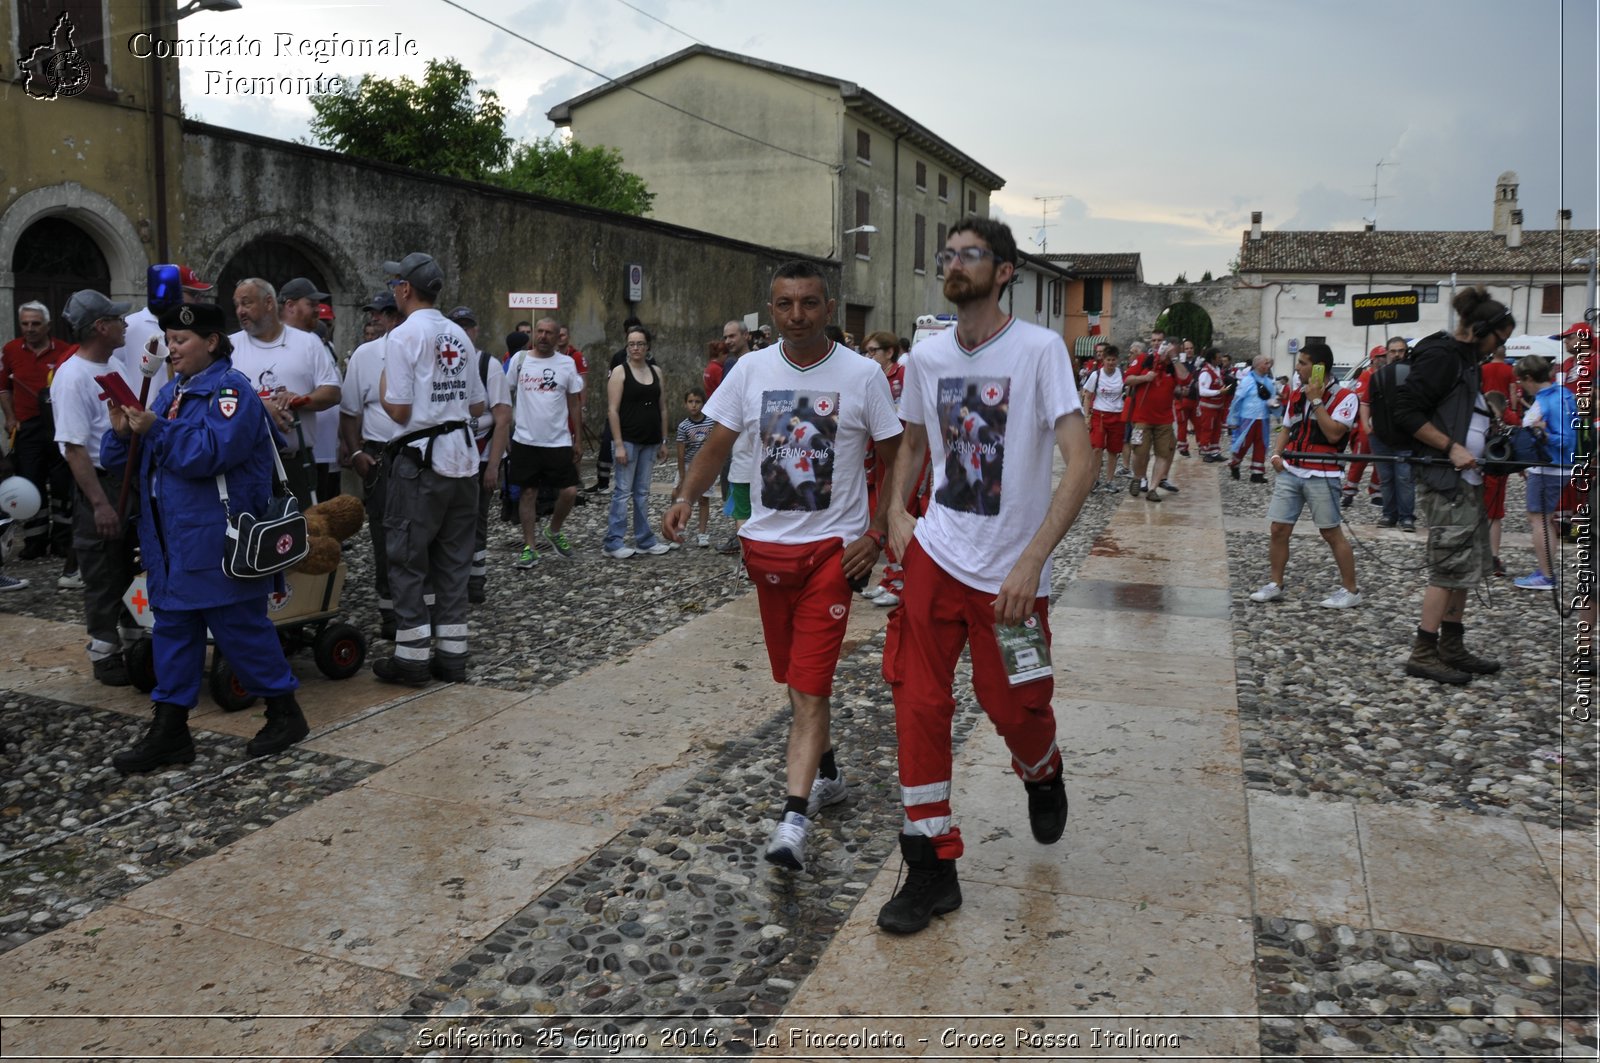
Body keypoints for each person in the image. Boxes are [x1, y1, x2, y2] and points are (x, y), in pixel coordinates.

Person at [876, 218, 1094, 935]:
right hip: (937, 555)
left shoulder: (1039, 350)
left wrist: (1034, 557)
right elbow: (911, 442)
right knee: (917, 701)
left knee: (1016, 706)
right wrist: (895, 514)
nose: (955, 263)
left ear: (1003, 271)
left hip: (1011, 570)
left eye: (971, 254)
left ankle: (1043, 767)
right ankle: (932, 863)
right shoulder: (928, 355)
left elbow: (1082, 460)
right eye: (949, 254)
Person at [663, 259, 901, 874]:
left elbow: (897, 456)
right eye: (785, 304)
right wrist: (687, 496)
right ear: (770, 310)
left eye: (810, 303)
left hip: (832, 555)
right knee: (795, 683)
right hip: (767, 553)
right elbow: (717, 442)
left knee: (809, 685)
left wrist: (875, 534)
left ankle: (793, 819)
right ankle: (828, 774)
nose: (797, 315)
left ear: (829, 307)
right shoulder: (750, 369)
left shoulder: (863, 376)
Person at [102, 303, 309, 771]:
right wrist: (121, 435)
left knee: (240, 630)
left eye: (181, 341)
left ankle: (284, 712)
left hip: (216, 538)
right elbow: (128, 464)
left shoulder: (230, 391)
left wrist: (155, 430)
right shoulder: (171, 391)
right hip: (171, 540)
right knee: (172, 632)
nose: (170, 350)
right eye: (169, 340)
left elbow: (208, 454)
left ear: (211, 342)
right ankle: (170, 730)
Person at [370, 252, 487, 685]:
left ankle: (412, 658)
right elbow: (477, 404)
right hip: (462, 460)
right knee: (454, 562)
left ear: (403, 289)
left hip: (419, 464)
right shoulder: (459, 333)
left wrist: (384, 385)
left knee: (406, 559)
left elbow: (398, 410)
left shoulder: (403, 337)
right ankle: (452, 656)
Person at [1391, 287, 1515, 685]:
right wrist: (1451, 447)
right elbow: (1405, 411)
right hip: (1448, 480)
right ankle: (1423, 651)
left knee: (1467, 568)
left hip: (1470, 480)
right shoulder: (1443, 357)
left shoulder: (1468, 359)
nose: (1500, 349)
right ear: (1481, 329)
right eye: (1500, 339)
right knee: (1446, 569)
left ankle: (1452, 646)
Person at [52, 290, 139, 685]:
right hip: (101, 485)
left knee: (129, 564)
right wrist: (100, 504)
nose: (125, 325)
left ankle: (136, 643)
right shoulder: (71, 377)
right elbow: (74, 449)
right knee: (102, 570)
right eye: (117, 320)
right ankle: (104, 654)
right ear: (101, 327)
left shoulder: (115, 362)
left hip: (128, 480)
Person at [1248, 343, 1362, 609]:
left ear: (1319, 367)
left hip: (1323, 472)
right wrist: (1276, 454)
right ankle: (1275, 583)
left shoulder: (1346, 397)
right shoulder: (1296, 394)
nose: (1297, 368)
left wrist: (1317, 400)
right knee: (1278, 528)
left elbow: (1335, 433)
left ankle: (1351, 589)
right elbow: (1287, 428)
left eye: (1303, 363)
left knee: (1331, 532)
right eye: (1299, 363)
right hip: (1292, 469)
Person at [229, 278, 342, 505]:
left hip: (296, 463)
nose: (240, 311)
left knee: (301, 534)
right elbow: (219, 404)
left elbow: (332, 392)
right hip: (247, 464)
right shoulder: (229, 347)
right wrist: (263, 409)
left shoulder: (308, 343)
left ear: (269, 303)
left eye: (246, 303)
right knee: (252, 536)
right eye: (237, 305)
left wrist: (300, 401)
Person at [338, 291, 403, 640]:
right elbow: (350, 412)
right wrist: (355, 452)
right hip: (380, 454)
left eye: (383, 312)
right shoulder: (364, 355)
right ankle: (390, 611)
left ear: (397, 316)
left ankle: (423, 606)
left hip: (420, 454)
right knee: (383, 534)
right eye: (372, 313)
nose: (375, 318)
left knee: (422, 533)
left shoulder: (420, 349)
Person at [1, 300, 76, 568]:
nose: (29, 329)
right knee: (30, 483)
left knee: (61, 483)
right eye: (25, 324)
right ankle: (34, 541)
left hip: (57, 426)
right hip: (26, 427)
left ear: (47, 325)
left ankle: (62, 540)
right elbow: (3, 389)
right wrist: (9, 417)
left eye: (35, 324)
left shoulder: (66, 351)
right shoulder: (9, 350)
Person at [507, 316, 583, 565]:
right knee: (528, 493)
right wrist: (507, 433)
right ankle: (530, 546)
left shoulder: (567, 364)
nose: (543, 336)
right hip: (525, 440)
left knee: (570, 491)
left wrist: (578, 439)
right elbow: (506, 397)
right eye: (539, 331)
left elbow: (574, 402)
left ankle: (554, 529)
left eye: (549, 332)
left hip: (558, 440)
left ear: (557, 336)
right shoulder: (519, 361)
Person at [449, 305, 514, 597]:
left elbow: (502, 419)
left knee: (476, 520)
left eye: (468, 326)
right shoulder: (443, 362)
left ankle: (475, 583)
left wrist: (493, 467)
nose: (463, 332)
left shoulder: (487, 366)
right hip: (448, 457)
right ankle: (451, 580)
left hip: (481, 456)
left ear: (475, 331)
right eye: (457, 326)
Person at [604, 326, 671, 558]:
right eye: (631, 344)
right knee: (622, 491)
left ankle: (644, 539)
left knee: (642, 492)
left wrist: (663, 440)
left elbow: (662, 408)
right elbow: (612, 410)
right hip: (628, 440)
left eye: (640, 344)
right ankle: (613, 541)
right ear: (626, 346)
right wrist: (619, 444)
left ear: (647, 346)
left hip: (650, 441)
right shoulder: (620, 372)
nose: (635, 348)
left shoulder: (656, 372)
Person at [1512, 355, 1577, 591]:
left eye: (1521, 381)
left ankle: (1546, 575)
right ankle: (1546, 571)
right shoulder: (1559, 396)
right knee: (1543, 518)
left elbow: (1566, 440)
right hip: (1548, 466)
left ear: (1529, 378)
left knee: (1538, 519)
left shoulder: (1553, 400)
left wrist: (1543, 434)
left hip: (1549, 467)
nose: (1520, 386)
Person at [279, 277, 344, 502]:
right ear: (290, 305)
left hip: (317, 450)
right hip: (288, 456)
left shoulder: (314, 342)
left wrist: (304, 400)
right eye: (311, 304)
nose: (317, 309)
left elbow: (334, 392)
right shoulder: (276, 343)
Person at [586, 315, 643, 497]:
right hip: (619, 408)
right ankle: (603, 481)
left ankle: (632, 485)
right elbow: (611, 382)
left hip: (638, 412)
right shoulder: (618, 357)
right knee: (607, 445)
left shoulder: (648, 360)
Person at [1124, 340, 1188, 501]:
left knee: (1163, 454)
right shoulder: (1145, 360)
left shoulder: (1173, 367)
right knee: (1139, 451)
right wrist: (1145, 378)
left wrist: (1174, 359)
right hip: (1142, 418)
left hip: (1164, 420)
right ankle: (1138, 477)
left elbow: (1185, 378)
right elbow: (1128, 379)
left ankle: (1152, 488)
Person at [1367, 336, 1416, 531]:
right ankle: (1389, 514)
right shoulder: (1376, 377)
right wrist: (1367, 426)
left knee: (1404, 479)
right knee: (1386, 479)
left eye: (1401, 351)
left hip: (1405, 438)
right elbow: (1369, 404)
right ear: (1387, 353)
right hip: (1381, 437)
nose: (1397, 355)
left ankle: (1406, 516)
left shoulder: (1414, 376)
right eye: (1393, 351)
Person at [1079, 344, 1125, 488]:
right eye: (1108, 360)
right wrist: (1087, 417)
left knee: (1113, 450)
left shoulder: (1122, 374)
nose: (1111, 363)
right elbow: (1087, 396)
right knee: (1097, 448)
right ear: (1103, 360)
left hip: (1117, 415)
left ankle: (1109, 480)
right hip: (1100, 415)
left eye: (1113, 360)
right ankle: (1095, 478)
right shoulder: (1096, 375)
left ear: (1117, 360)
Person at [674, 386, 715, 546]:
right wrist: (682, 476)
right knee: (679, 498)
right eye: (690, 401)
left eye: (697, 402)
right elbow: (680, 453)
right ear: (685, 404)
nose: (694, 405)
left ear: (703, 404)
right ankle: (678, 530)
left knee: (704, 500)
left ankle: (702, 534)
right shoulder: (683, 427)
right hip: (688, 465)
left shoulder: (711, 423)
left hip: (705, 467)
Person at [1227, 355, 1278, 482]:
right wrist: (1233, 419)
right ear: (1258, 365)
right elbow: (1237, 400)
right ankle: (1235, 463)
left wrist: (1273, 404)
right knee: (1244, 444)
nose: (1268, 366)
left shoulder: (1268, 381)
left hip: (1263, 418)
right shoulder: (1247, 381)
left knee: (1262, 444)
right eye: (1266, 363)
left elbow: (1272, 397)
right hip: (1248, 418)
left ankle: (1257, 473)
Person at [1194, 347, 1229, 462]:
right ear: (1212, 359)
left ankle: (1214, 451)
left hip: (1217, 406)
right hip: (1208, 407)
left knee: (1216, 429)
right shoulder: (1205, 373)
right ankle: (1205, 451)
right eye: (1218, 358)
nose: (1221, 360)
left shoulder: (1216, 370)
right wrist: (1219, 392)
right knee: (1207, 428)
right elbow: (1202, 391)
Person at [1173, 338, 1201, 457]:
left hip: (1195, 399)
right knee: (1182, 424)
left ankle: (1202, 445)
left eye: (1191, 348)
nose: (1189, 351)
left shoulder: (1198, 362)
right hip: (1182, 399)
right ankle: (1183, 447)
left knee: (1199, 424)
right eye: (1186, 348)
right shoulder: (1179, 363)